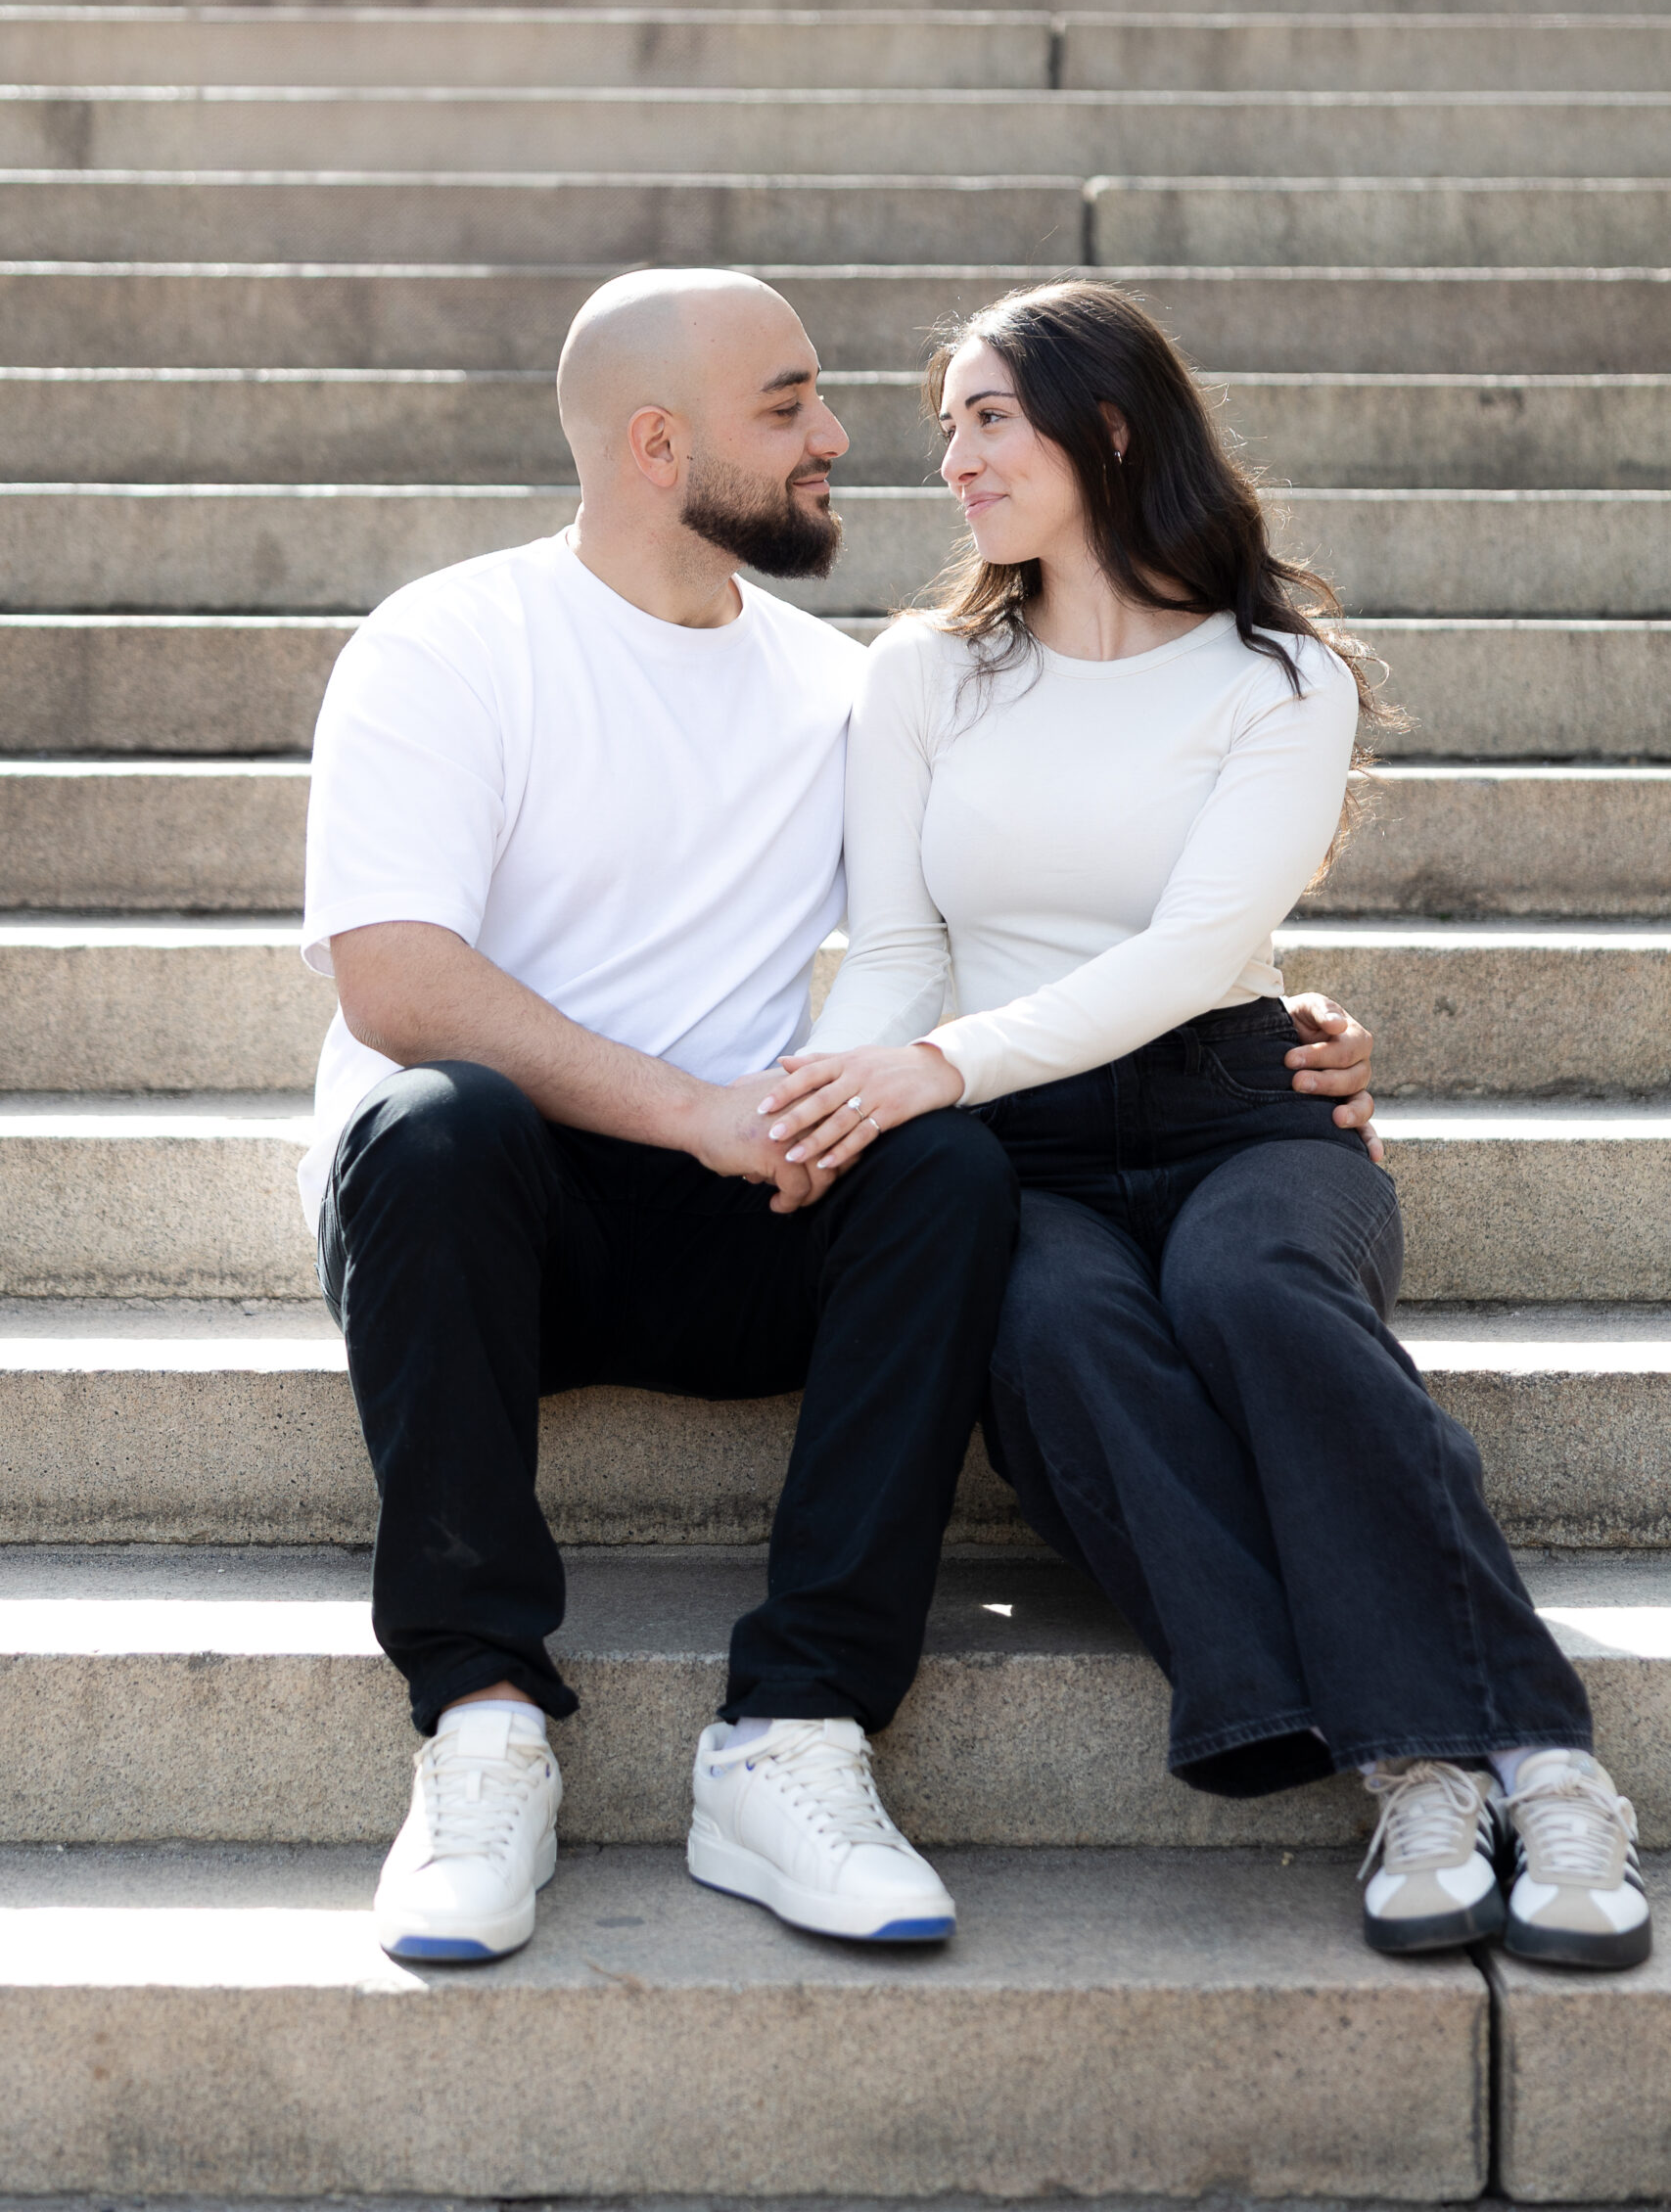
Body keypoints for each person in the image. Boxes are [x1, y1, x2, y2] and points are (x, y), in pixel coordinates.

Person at [299, 267, 1379, 1966]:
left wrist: (1266, 1009)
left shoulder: (845, 684)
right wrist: (693, 1113)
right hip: (499, 1224)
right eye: (791, 405)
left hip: (755, 1208)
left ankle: (795, 1734)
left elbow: (984, 913)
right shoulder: (451, 641)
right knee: (435, 1121)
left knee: (943, 1171)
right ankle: (482, 1720)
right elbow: (398, 982)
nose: (844, 438)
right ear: (659, 444)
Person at [766, 279, 1649, 1973]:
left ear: (1108, 427)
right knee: (1059, 1332)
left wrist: (934, 1068)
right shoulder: (929, 676)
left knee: (1254, 1296)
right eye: (945, 420)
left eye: (987, 417)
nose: (948, 456)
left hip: (1240, 1101)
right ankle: (1415, 1764)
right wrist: (825, 1104)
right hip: (1019, 1148)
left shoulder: (1279, 672)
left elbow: (1185, 957)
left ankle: (1547, 1765)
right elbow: (894, 954)